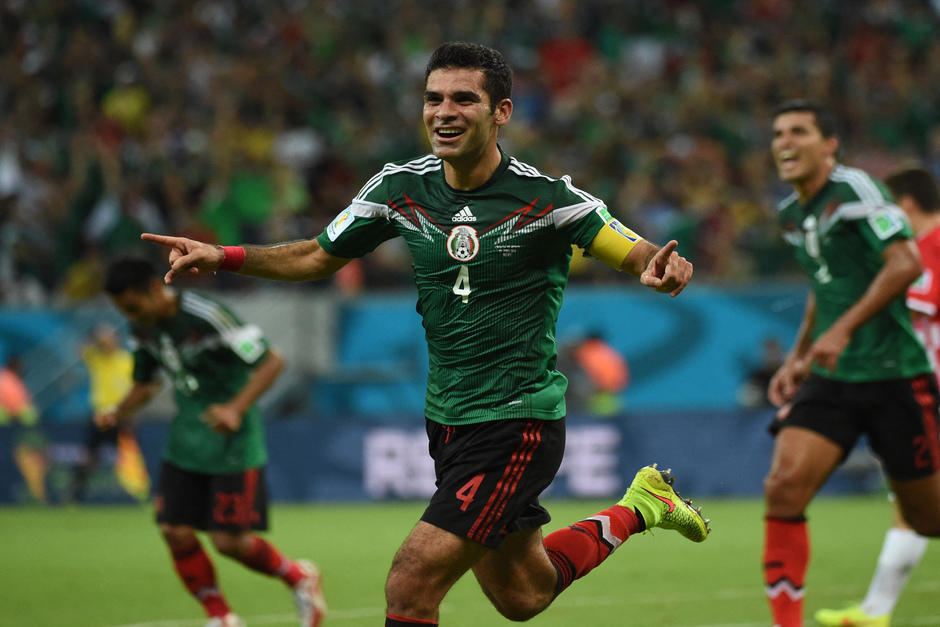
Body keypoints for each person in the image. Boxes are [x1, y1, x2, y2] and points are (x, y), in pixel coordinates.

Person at [140, 41, 710, 627]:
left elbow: (634, 249)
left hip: (517, 421)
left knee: (409, 585)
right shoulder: (396, 190)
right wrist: (224, 254)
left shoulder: (548, 200)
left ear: (502, 113)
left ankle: (640, 508)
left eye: (465, 99)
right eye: (433, 99)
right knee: (522, 594)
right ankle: (641, 508)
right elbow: (315, 256)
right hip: (449, 419)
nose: (444, 111)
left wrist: (657, 265)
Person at [763, 101, 940, 627]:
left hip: (895, 376)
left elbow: (905, 262)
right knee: (784, 485)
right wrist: (797, 357)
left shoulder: (857, 192)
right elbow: (825, 287)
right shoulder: (791, 215)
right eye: (777, 133)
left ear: (829, 144)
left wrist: (843, 329)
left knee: (926, 516)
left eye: (799, 132)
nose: (785, 142)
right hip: (833, 379)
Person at [98, 257, 326, 627]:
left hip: (232, 440)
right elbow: (147, 382)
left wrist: (236, 408)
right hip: (186, 438)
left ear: (156, 289)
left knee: (229, 542)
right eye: (123, 310)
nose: (131, 315)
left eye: (133, 306)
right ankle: (220, 617)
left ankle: (299, 578)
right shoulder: (142, 328)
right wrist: (117, 410)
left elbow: (272, 361)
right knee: (174, 529)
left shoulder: (207, 314)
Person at [814, 167, 940, 626]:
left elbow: (914, 301)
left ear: (903, 206)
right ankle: (876, 610)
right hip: (921, 388)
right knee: (914, 504)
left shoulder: (927, 246)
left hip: (923, 385)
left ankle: (876, 610)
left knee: (919, 503)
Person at [72, 322, 150, 502]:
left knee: (131, 455)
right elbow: (79, 350)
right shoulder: (96, 357)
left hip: (123, 415)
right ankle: (76, 493)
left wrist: (133, 411)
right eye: (105, 338)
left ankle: (139, 494)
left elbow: (137, 387)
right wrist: (95, 337)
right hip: (100, 414)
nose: (108, 342)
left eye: (110, 337)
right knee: (90, 456)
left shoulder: (126, 360)